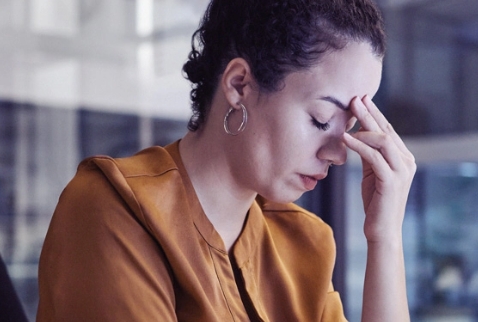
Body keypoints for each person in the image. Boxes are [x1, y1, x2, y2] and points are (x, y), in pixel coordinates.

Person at [37, 0, 415, 321]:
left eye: (350, 127)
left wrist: (385, 239)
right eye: (321, 120)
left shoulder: (306, 243)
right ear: (239, 86)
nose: (337, 154)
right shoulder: (114, 208)